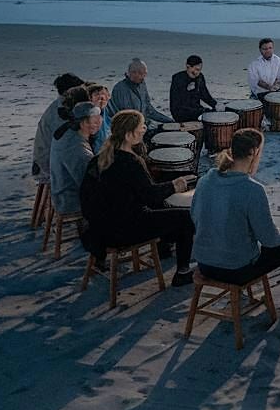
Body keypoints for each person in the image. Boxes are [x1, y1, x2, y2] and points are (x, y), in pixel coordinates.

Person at [191, 127, 280, 318]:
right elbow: (269, 239)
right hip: (235, 269)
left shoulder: (205, 180)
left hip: (205, 263)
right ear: (253, 153)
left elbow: (195, 216)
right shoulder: (252, 189)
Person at [80, 109, 194, 286]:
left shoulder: (98, 159)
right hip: (123, 231)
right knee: (185, 217)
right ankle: (183, 272)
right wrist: (174, 185)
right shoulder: (131, 162)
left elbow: (86, 198)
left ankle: (164, 248)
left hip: (97, 230)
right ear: (128, 134)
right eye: (141, 127)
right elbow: (150, 197)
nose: (144, 129)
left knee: (165, 209)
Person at [49, 102, 103, 216]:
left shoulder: (68, 131)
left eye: (100, 118)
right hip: (69, 200)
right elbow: (90, 184)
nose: (100, 122)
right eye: (95, 121)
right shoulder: (78, 149)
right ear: (83, 123)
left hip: (60, 190)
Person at [32, 72, 85, 181]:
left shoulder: (61, 105)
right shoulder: (61, 113)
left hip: (47, 162)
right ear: (68, 92)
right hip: (48, 167)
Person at [110, 59, 173, 125]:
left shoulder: (142, 85)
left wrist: (169, 121)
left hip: (142, 124)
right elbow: (125, 115)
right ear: (128, 72)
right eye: (134, 72)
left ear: (145, 74)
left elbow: (149, 110)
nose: (137, 75)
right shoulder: (120, 88)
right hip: (127, 126)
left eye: (140, 73)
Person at [169, 55, 217, 122]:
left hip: (196, 109)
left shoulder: (200, 77)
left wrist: (215, 105)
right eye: (196, 69)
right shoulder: (178, 79)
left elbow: (205, 95)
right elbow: (178, 103)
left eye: (199, 70)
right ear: (188, 66)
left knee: (213, 113)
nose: (197, 73)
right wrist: (188, 90)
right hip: (181, 112)